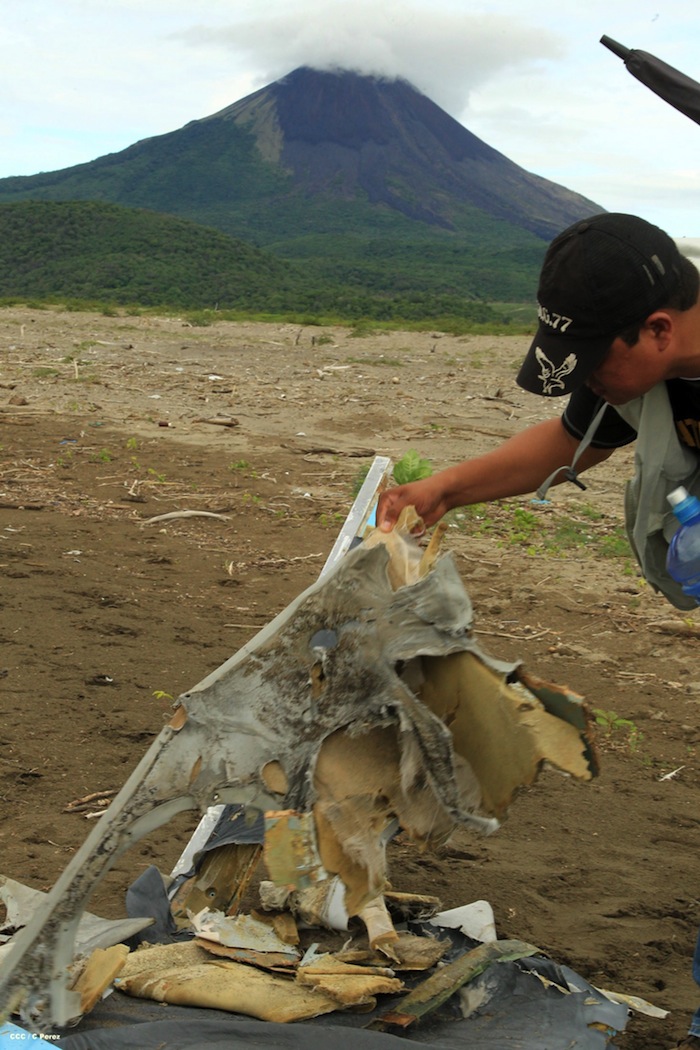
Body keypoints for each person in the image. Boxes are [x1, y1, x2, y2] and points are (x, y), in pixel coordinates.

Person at [376, 212, 700, 1050]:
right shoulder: (654, 370)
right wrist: (447, 487)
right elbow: (564, 442)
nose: (592, 381)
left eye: (598, 362)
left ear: (658, 329)